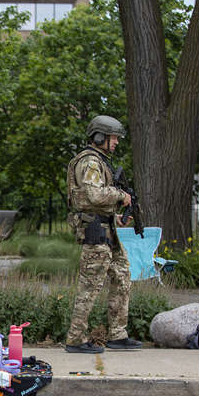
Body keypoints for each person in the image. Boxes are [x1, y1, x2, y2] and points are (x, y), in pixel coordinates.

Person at [64, 115, 143, 354]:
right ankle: (75, 339)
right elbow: (95, 195)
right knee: (90, 286)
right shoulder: (90, 162)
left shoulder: (100, 161)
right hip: (95, 233)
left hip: (106, 229)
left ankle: (118, 334)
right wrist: (121, 196)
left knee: (122, 276)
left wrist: (114, 216)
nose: (116, 142)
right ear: (99, 137)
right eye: (113, 138)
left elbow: (95, 202)